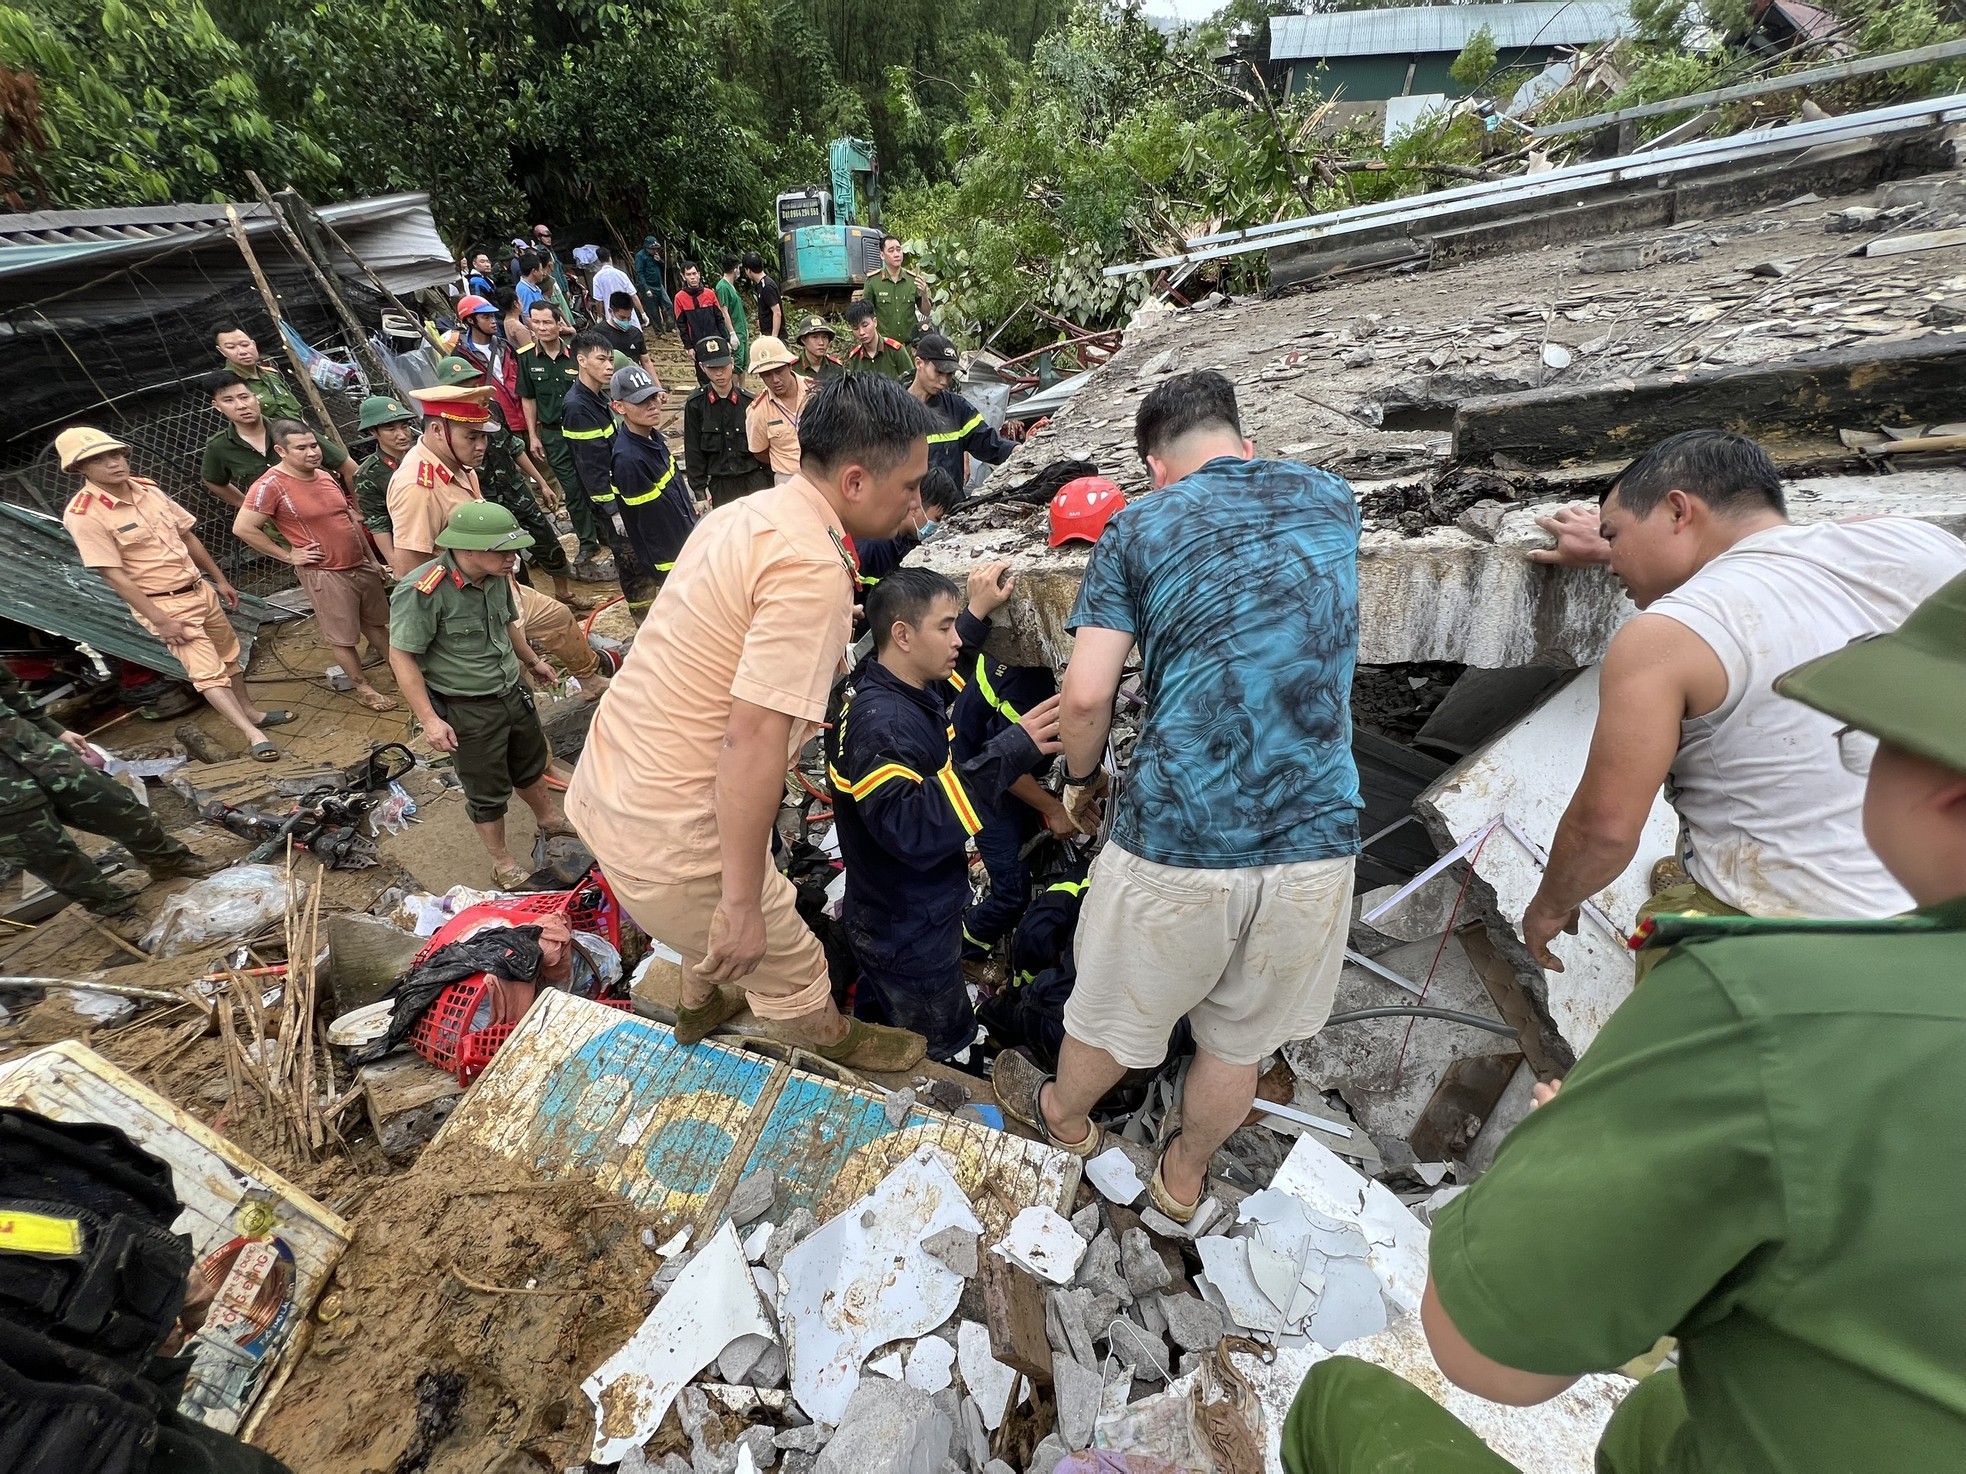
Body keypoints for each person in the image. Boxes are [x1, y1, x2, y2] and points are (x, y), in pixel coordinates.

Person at [1285, 571, 1966, 1474]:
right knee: (1656, 1415)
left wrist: (1563, 1144)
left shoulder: (1774, 1004)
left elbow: (1485, 1358)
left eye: (1865, 747)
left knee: (1339, 1403)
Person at [1002, 370, 1361, 1222]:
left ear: (1154, 465)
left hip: (1181, 836)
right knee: (1239, 1040)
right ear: (1241, 441)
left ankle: (1067, 1121)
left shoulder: (1140, 527)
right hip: (1318, 835)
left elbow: (1087, 697)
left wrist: (1082, 781)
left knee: (1115, 1014)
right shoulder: (1335, 500)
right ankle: (1182, 1181)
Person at [565, 374, 943, 1071]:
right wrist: (742, 901)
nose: (917, 503)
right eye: (911, 486)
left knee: (724, 910)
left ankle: (702, 998)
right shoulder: (810, 569)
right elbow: (752, 740)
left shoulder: (748, 516)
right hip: (671, 834)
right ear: (856, 481)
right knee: (782, 952)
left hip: (610, 787)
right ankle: (830, 1036)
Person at [1520, 429, 1966, 971]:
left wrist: (1550, 905)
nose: (1612, 561)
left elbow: (1605, 830)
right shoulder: (1921, 543)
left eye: (1615, 537)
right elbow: (1794, 553)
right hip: (1940, 903)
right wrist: (1633, 546)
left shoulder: (1664, 637)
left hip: (1782, 934)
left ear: (1678, 510)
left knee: (1671, 956)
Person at [826, 565, 1062, 1062]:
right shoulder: (884, 729)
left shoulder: (882, 681)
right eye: (945, 627)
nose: (956, 639)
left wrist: (974, 613)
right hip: (909, 924)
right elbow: (912, 828)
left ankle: (872, 1022)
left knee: (883, 994)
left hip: (881, 908)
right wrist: (1009, 751)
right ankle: (944, 1062)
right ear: (902, 634)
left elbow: (940, 685)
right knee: (939, 1031)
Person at [60, 428, 291, 760]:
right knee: (206, 673)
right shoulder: (84, 514)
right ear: (80, 469)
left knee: (229, 656)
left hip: (199, 588)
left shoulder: (148, 489)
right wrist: (161, 620)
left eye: (115, 454)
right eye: (98, 460)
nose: (113, 463)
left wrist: (219, 579)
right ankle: (252, 733)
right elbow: (114, 575)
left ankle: (252, 713)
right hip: (163, 604)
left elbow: (187, 536)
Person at [390, 503, 577, 889]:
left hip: (511, 690)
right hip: (467, 706)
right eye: (503, 550)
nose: (514, 558)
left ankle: (549, 820)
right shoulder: (423, 590)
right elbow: (402, 655)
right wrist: (429, 720)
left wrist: (531, 660)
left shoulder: (495, 576)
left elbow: (507, 624)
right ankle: (502, 862)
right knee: (486, 790)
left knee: (530, 762)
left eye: (514, 549)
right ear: (467, 549)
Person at [384, 381, 612, 693]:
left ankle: (589, 680)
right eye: (472, 437)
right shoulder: (417, 487)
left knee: (558, 617)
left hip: (499, 588)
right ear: (438, 430)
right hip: (468, 604)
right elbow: (411, 570)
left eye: (483, 436)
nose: (482, 446)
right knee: (513, 681)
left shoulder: (460, 467)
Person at [0, 665, 224, 942]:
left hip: (33, 747)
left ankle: (168, 859)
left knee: (115, 804)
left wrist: (53, 729)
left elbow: (7, 687)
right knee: (45, 852)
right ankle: (114, 908)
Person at [231, 420, 398, 713]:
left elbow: (348, 519)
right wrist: (289, 555)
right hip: (326, 572)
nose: (312, 452)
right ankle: (363, 687)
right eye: (301, 448)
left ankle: (400, 671)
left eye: (313, 445)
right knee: (342, 637)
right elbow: (244, 528)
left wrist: (373, 560)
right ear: (281, 450)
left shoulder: (324, 476)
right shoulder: (270, 485)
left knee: (377, 624)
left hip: (359, 565)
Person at [434, 355, 594, 612]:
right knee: (506, 558)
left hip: (516, 491)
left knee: (546, 539)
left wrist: (541, 482)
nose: (468, 389)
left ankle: (563, 592)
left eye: (470, 381)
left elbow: (513, 447)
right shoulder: (443, 426)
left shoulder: (492, 409)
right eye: (460, 385)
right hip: (486, 504)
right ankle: (523, 608)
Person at [955, 644, 1073, 962]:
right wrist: (1054, 809)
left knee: (1026, 850)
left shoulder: (1001, 649)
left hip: (976, 766)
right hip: (986, 791)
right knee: (1012, 894)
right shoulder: (1028, 683)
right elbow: (1008, 769)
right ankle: (965, 950)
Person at [562, 329, 658, 613]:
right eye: (601, 360)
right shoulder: (578, 407)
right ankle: (642, 616)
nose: (608, 366)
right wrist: (613, 510)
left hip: (624, 493)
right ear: (581, 360)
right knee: (631, 564)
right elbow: (592, 466)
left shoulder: (597, 398)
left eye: (609, 360)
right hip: (613, 503)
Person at [517, 300, 607, 567]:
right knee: (573, 490)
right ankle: (588, 543)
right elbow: (528, 398)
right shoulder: (527, 358)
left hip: (585, 432)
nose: (542, 328)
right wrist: (533, 435)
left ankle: (607, 533)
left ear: (559, 324)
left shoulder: (577, 355)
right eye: (536, 322)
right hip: (554, 436)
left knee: (597, 483)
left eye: (547, 322)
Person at [606, 364, 697, 614]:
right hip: (670, 558)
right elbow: (653, 526)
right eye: (641, 401)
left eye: (652, 397)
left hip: (686, 543)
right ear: (619, 407)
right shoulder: (629, 460)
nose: (652, 406)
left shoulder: (652, 438)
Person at [199, 371, 351, 509]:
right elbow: (212, 480)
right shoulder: (219, 446)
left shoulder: (291, 429)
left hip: (327, 511)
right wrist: (246, 504)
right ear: (217, 406)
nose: (241, 406)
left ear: (255, 396)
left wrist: (359, 509)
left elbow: (348, 467)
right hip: (281, 530)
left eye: (244, 397)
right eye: (228, 400)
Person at [908, 333, 1027, 490]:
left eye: (949, 374)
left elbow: (985, 440)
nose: (944, 381)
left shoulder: (957, 408)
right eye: (938, 372)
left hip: (951, 507)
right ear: (919, 363)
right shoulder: (893, 409)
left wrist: (1015, 449)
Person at [682, 334, 774, 510]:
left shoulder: (750, 402)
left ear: (731, 363)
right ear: (702, 367)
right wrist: (700, 492)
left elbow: (765, 445)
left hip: (754, 480)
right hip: (721, 486)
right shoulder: (696, 405)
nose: (719, 373)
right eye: (712, 367)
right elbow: (693, 450)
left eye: (723, 366)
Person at [351, 393, 419, 563]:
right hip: (410, 546)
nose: (402, 435)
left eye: (405, 426)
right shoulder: (369, 474)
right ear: (373, 431)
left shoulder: (424, 455)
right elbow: (378, 523)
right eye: (391, 429)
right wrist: (395, 562)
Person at [450, 294, 527, 436]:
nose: (493, 321)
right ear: (470, 320)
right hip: (497, 426)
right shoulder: (461, 356)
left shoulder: (506, 347)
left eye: (492, 316)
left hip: (526, 419)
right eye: (486, 317)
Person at [745, 337, 807, 485]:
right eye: (767, 375)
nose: (775, 380)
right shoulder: (757, 411)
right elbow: (759, 452)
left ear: (789, 366)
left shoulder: (816, 392)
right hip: (787, 479)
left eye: (779, 371)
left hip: (823, 474)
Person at [212, 325, 304, 423]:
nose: (242, 351)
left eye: (245, 344)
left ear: (253, 344)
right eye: (231, 347)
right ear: (222, 351)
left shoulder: (270, 374)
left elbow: (294, 410)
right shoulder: (228, 384)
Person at [860, 234, 933, 345]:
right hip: (884, 348)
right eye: (891, 250)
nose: (896, 254)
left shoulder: (912, 280)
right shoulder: (873, 281)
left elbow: (926, 312)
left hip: (909, 347)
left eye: (899, 250)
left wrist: (924, 294)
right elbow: (864, 315)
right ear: (882, 255)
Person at [673, 262, 731, 366]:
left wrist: (726, 340)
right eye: (689, 274)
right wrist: (688, 347)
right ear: (683, 277)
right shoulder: (679, 298)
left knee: (721, 370)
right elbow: (682, 326)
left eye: (694, 274)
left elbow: (719, 319)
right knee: (703, 375)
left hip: (716, 339)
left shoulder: (710, 294)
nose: (693, 277)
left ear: (699, 274)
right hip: (697, 343)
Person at [842, 300, 914, 383]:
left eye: (865, 325)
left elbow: (911, 382)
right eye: (855, 328)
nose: (861, 332)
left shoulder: (896, 351)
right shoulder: (855, 358)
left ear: (875, 322)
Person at [589, 246, 645, 326]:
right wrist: (642, 313)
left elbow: (599, 301)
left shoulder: (597, 278)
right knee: (634, 334)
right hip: (627, 312)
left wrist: (600, 316)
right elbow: (633, 295)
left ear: (599, 260)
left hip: (613, 314)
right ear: (610, 257)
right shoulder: (621, 274)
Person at [597, 291, 652, 372]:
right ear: (611, 312)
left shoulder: (636, 333)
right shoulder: (599, 333)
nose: (626, 321)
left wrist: (656, 384)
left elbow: (646, 361)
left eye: (629, 318)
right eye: (622, 318)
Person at [717, 254, 751, 373]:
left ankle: (742, 389)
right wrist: (732, 333)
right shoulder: (722, 287)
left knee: (742, 364)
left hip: (740, 329)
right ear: (735, 269)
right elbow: (724, 311)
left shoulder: (731, 286)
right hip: (735, 330)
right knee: (736, 365)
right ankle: (735, 390)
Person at [742, 252, 784, 341]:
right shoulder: (760, 285)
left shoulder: (767, 286)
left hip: (776, 338)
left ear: (749, 271)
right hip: (766, 334)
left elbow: (777, 313)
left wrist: (774, 338)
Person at [634, 235, 673, 329]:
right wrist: (646, 288)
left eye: (656, 248)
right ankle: (659, 331)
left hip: (659, 284)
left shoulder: (656, 256)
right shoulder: (640, 256)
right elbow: (640, 273)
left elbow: (663, 267)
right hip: (648, 286)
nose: (654, 251)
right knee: (653, 310)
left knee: (668, 305)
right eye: (652, 249)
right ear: (646, 248)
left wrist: (659, 261)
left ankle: (670, 327)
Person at [793, 316, 845, 382]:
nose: (821, 343)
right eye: (815, 337)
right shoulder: (793, 368)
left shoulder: (837, 368)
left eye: (824, 337)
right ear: (803, 340)